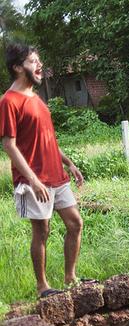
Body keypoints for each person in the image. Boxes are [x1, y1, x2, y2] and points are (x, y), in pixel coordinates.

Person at [1, 43, 90, 297]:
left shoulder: (36, 98)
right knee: (42, 231)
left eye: (39, 60)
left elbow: (47, 137)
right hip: (33, 179)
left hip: (56, 175)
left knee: (75, 223)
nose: (39, 66)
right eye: (32, 61)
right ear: (18, 67)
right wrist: (33, 180)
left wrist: (69, 163)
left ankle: (70, 277)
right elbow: (9, 145)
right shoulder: (9, 101)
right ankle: (42, 287)